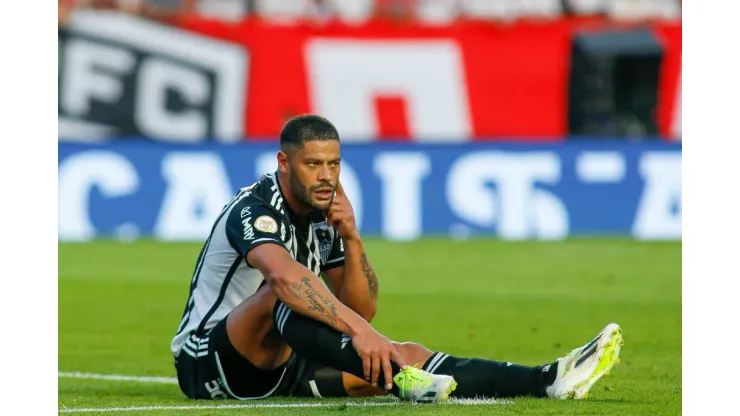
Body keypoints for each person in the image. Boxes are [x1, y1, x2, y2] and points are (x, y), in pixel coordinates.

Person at [171, 113, 624, 402]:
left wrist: (351, 237)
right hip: (210, 360)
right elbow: (287, 282)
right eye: (314, 164)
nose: (327, 175)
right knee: (282, 294)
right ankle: (400, 381)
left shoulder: (324, 213)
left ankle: (549, 379)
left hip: (285, 360)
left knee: (409, 354)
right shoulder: (253, 210)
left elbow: (360, 306)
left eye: (334, 163)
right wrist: (362, 333)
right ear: (284, 163)